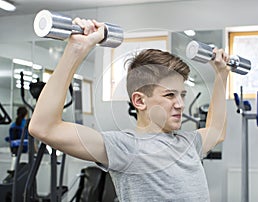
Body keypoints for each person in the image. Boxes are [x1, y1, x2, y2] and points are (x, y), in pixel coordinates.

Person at [29, 18, 229, 202]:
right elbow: (45, 128)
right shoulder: (126, 147)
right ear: (140, 101)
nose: (180, 104)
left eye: (182, 95)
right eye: (170, 95)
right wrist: (76, 50)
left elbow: (217, 131)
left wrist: (221, 74)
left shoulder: (188, 143)